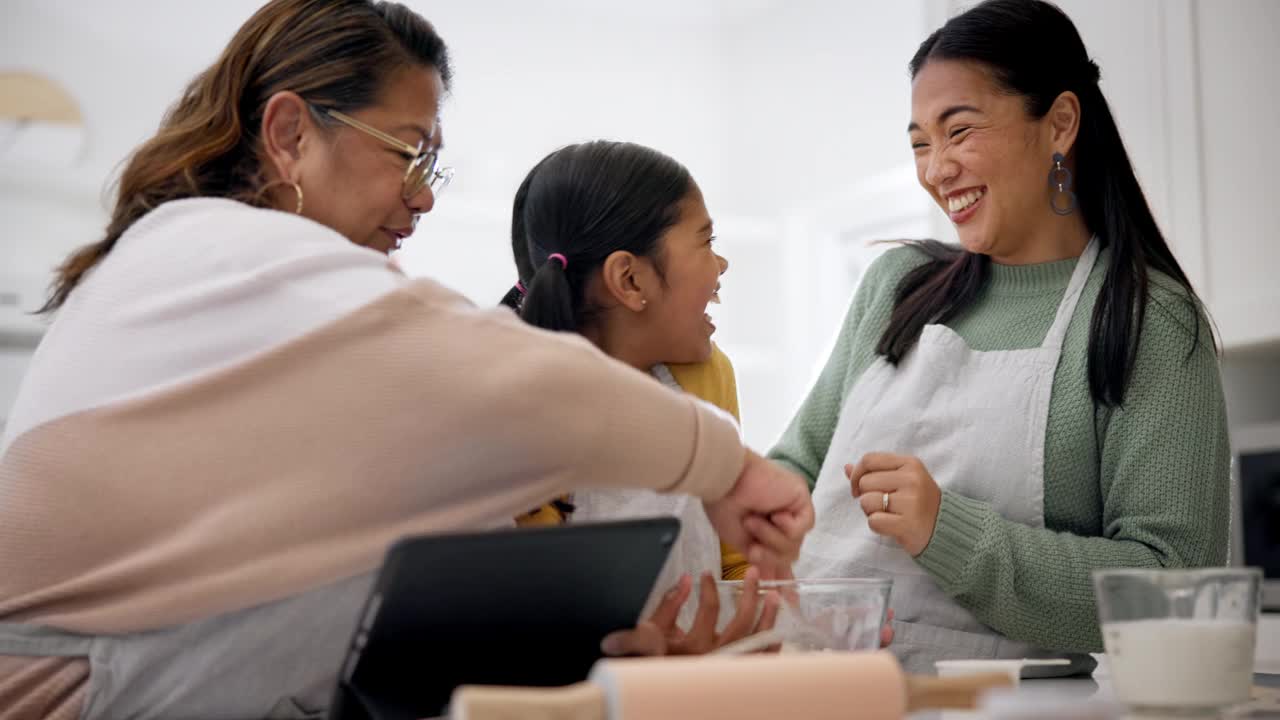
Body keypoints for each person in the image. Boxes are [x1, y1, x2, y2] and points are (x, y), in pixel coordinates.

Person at [0, 2, 812, 717]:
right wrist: (727, 467)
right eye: (406, 152)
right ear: (289, 135)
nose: (424, 196)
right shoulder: (210, 247)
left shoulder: (227, 289)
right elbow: (489, 372)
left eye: (432, 165)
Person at [770, 0, 1229, 674]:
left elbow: (1172, 587)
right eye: (921, 143)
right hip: (816, 683)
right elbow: (799, 466)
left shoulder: (1146, 321)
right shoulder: (896, 285)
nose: (936, 169)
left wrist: (945, 531)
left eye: (959, 131)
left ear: (1060, 124)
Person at [502, 140, 756, 634]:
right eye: (706, 242)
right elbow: (532, 620)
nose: (720, 266)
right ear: (631, 280)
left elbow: (735, 561)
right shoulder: (514, 405)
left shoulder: (706, 376)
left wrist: (772, 614)